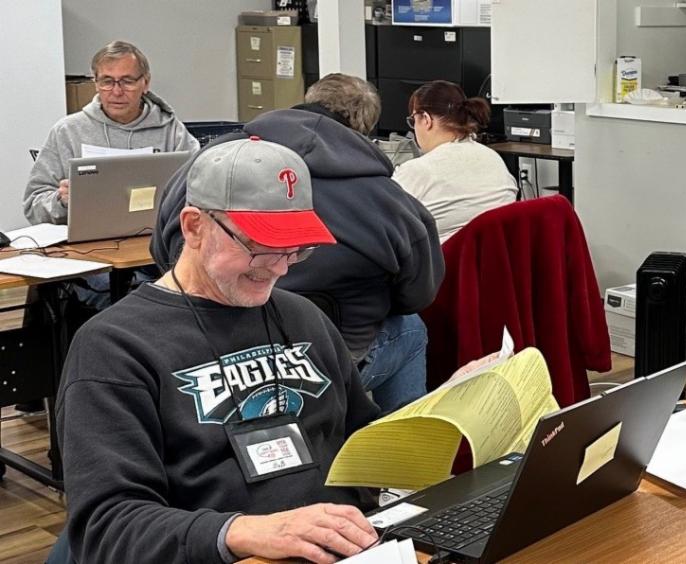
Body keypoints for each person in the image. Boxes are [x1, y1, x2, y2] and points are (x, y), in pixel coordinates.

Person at [56, 138, 380, 564]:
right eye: (260, 247)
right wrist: (243, 532)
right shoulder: (114, 347)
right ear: (194, 227)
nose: (280, 268)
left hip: (342, 547)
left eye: (295, 249)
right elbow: (107, 528)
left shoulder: (302, 316)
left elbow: (361, 438)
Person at [152, 74, 444, 413]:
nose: (281, 265)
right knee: (410, 328)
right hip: (328, 360)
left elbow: (163, 250)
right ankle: (401, 438)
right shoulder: (390, 200)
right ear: (361, 129)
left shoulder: (211, 162)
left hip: (208, 351)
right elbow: (417, 293)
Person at [24, 40, 199, 225]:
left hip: (153, 236)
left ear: (145, 83)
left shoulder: (172, 132)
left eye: (127, 82)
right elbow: (33, 206)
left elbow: (201, 192)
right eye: (107, 82)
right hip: (87, 238)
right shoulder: (67, 132)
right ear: (96, 83)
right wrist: (62, 201)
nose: (117, 91)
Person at [393, 80, 518, 243]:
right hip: (496, 256)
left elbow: (382, 225)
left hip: (444, 258)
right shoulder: (494, 159)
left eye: (413, 121)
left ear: (426, 119)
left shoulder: (417, 170)